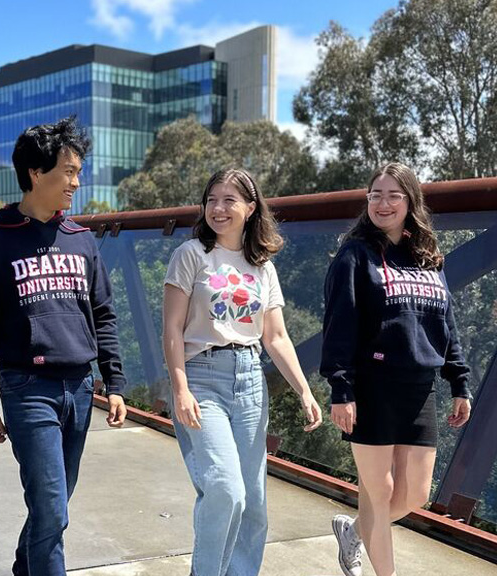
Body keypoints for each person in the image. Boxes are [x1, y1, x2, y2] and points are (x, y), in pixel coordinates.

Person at [0, 117, 128, 576]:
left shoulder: (82, 239)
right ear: (36, 173)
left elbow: (104, 314)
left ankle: (22, 568)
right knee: (52, 510)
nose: (76, 181)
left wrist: (115, 382)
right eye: (69, 171)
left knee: (52, 507)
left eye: (78, 171)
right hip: (27, 388)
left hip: (80, 388)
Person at [162, 168, 323, 576]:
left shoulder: (262, 267)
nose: (218, 208)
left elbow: (276, 336)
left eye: (229, 200)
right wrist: (180, 388)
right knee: (224, 489)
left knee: (252, 501)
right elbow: (171, 331)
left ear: (250, 208)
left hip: (250, 379)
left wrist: (304, 391)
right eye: (211, 199)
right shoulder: (190, 255)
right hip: (202, 378)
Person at [321, 162, 472, 576]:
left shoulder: (428, 257)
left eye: (393, 195)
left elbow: (447, 323)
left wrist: (459, 382)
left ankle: (353, 531)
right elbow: (338, 325)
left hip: (420, 387)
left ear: (411, 202)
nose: (382, 204)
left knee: (414, 495)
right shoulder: (355, 255)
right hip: (372, 387)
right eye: (375, 195)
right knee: (380, 490)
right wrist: (341, 389)